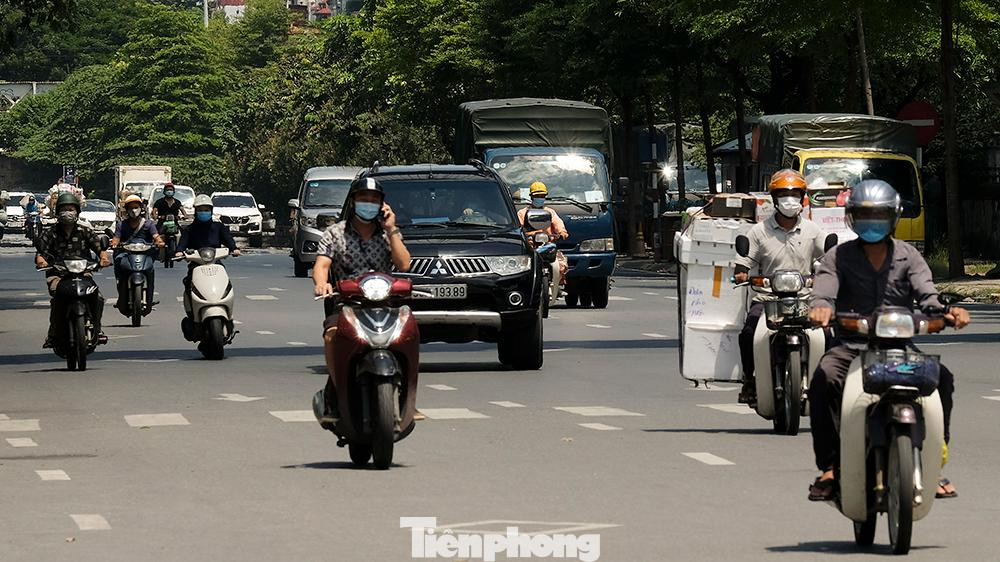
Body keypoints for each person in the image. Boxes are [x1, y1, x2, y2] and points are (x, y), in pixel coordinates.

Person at [806, 180, 971, 501]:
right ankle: (829, 466)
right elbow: (824, 292)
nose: (873, 223)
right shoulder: (837, 257)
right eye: (865, 215)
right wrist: (821, 308)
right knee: (824, 377)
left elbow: (928, 296)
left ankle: (932, 462)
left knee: (943, 378)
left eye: (879, 215)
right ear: (852, 218)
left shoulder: (909, 256)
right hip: (851, 347)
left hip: (899, 348)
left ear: (893, 217)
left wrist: (948, 313)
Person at [311, 177, 411, 427]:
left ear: (382, 205)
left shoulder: (388, 233)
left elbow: (403, 264)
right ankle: (336, 393)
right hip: (346, 304)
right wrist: (322, 283)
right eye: (364, 198)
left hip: (384, 304)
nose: (369, 203)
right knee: (332, 336)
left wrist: (392, 229)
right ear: (353, 202)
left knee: (408, 334)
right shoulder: (335, 233)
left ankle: (407, 397)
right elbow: (322, 265)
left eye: (374, 200)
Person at [734, 169, 829, 406]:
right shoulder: (758, 231)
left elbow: (829, 256)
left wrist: (834, 271)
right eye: (784, 194)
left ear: (802, 198)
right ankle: (749, 380)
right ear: (774, 199)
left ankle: (829, 382)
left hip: (804, 299)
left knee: (829, 333)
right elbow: (744, 262)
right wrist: (741, 272)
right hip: (767, 299)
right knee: (748, 334)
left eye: (795, 194)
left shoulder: (813, 231)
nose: (790, 199)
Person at [34, 193, 111, 348]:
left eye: (71, 209)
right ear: (57, 212)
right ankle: (53, 333)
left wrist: (104, 258)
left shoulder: (85, 231)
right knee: (57, 298)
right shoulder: (50, 233)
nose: (67, 213)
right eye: (64, 209)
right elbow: (41, 253)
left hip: (84, 273)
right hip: (58, 274)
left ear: (77, 212)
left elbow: (99, 248)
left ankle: (97, 329)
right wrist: (42, 261)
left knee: (98, 298)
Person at [110, 195, 165, 315]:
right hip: (126, 254)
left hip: (145, 254)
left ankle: (149, 294)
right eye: (131, 208)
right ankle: (121, 289)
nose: (133, 210)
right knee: (118, 259)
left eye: (136, 207)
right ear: (127, 210)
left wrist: (159, 242)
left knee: (150, 269)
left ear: (141, 208)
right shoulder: (121, 225)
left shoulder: (148, 224)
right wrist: (114, 244)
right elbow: (116, 238)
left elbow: (156, 237)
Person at [175, 194, 240, 290]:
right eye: (200, 210)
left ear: (211, 211)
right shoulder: (190, 229)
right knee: (189, 282)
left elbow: (228, 240)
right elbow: (183, 243)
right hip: (196, 263)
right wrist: (179, 251)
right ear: (195, 211)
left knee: (226, 283)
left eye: (206, 210)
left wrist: (234, 249)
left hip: (215, 262)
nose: (203, 212)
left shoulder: (218, 227)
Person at [518, 181, 569, 282]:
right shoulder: (522, 213)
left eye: (542, 196)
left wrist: (562, 232)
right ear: (531, 197)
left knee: (560, 266)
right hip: (529, 248)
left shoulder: (550, 212)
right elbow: (519, 228)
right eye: (537, 196)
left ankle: (557, 286)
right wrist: (526, 236)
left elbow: (558, 222)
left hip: (547, 246)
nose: (539, 198)